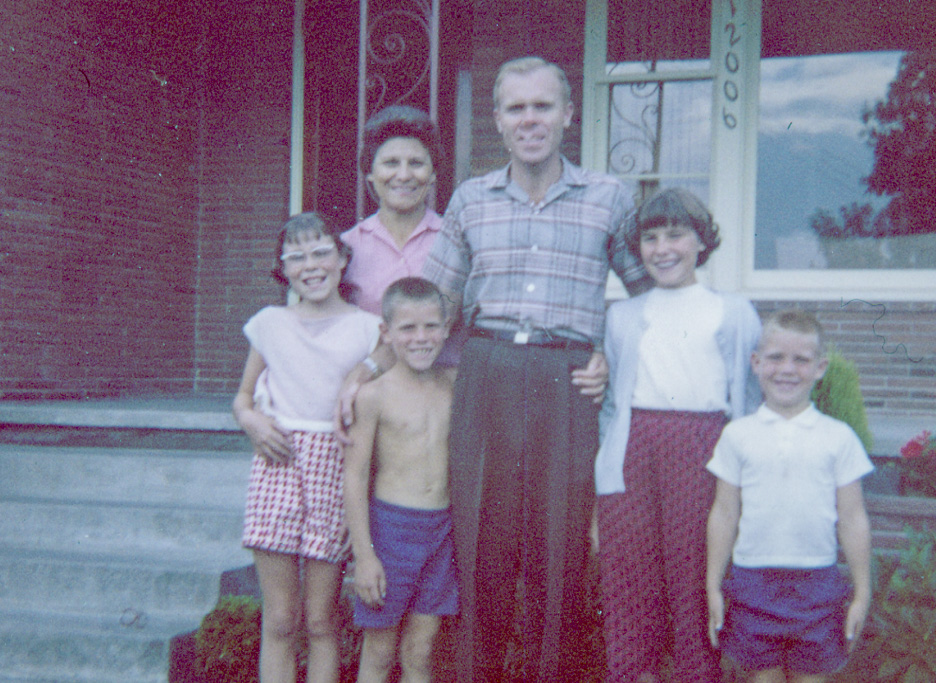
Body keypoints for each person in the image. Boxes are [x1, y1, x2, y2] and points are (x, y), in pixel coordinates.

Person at [420, 56, 652, 682]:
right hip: (487, 371)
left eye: (542, 106)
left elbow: (647, 298)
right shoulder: (471, 199)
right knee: (481, 546)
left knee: (561, 547)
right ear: (497, 120)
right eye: (516, 108)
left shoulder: (608, 197)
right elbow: (432, 304)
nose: (530, 120)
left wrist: (609, 353)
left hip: (567, 379)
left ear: (568, 114)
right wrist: (369, 369)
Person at [593, 187, 762, 682]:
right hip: (633, 450)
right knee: (628, 581)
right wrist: (606, 468)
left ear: (701, 242)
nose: (662, 248)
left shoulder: (732, 311)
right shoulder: (623, 315)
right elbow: (611, 405)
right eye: (650, 238)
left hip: (701, 448)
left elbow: (748, 400)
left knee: (692, 577)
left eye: (676, 235)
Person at [233, 212, 381, 683]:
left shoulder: (369, 329)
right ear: (284, 269)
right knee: (279, 619)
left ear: (342, 260)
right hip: (278, 464)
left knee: (321, 621)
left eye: (320, 253)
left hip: (337, 469)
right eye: (296, 258)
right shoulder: (269, 324)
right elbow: (241, 397)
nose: (310, 265)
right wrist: (251, 419)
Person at [705, 309, 873, 683]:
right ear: (756, 363)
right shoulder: (737, 435)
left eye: (801, 359)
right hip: (752, 582)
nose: (787, 369)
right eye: (776, 357)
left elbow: (853, 518)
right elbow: (724, 513)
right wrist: (713, 584)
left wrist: (862, 591)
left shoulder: (838, 437)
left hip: (817, 582)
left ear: (820, 368)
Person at [344, 277, 458, 683]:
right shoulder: (373, 395)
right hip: (392, 531)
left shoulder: (455, 385)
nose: (421, 338)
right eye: (407, 328)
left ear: (447, 328)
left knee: (421, 650)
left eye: (431, 326)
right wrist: (365, 555)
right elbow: (354, 477)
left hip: (442, 531)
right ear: (386, 333)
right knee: (379, 650)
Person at [341, 105, 445, 317]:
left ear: (433, 173)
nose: (404, 175)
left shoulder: (455, 241)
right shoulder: (347, 247)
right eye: (391, 163)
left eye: (416, 163)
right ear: (369, 172)